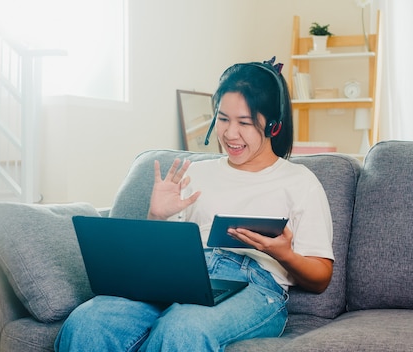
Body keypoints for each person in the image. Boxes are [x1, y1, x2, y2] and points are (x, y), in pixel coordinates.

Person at [55, 57, 334, 352]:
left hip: (255, 286)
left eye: (244, 123)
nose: (229, 134)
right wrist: (156, 217)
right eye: (223, 118)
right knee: (88, 320)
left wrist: (284, 254)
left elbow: (320, 278)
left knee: (183, 328)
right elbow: (157, 258)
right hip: (181, 276)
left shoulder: (299, 181)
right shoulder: (194, 173)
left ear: (273, 127)